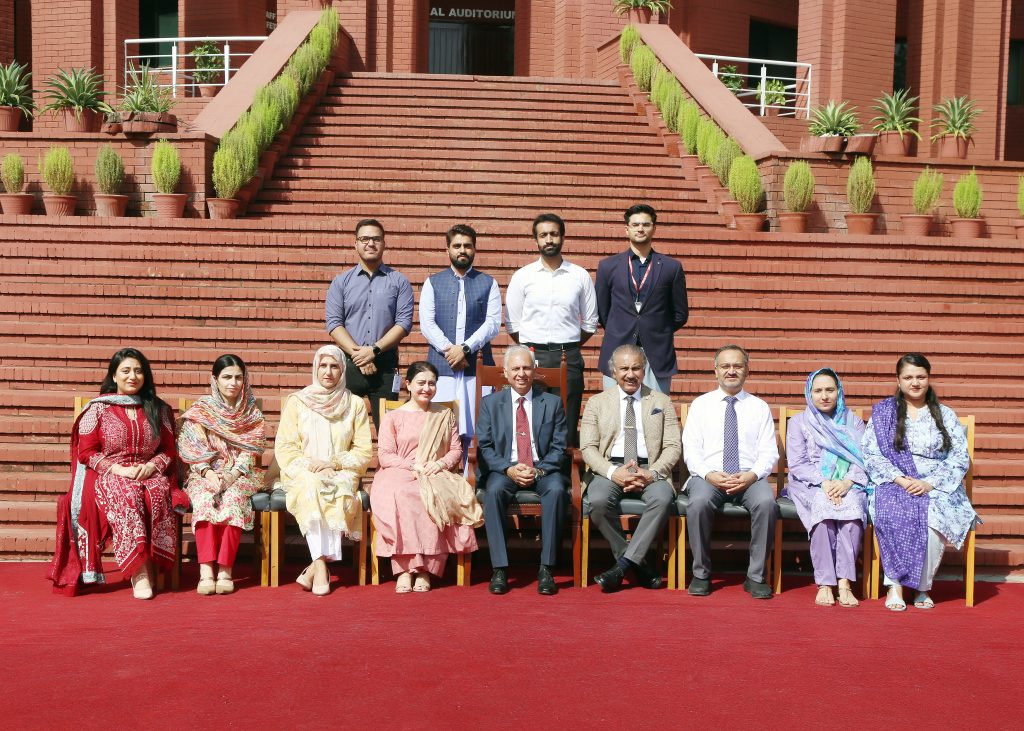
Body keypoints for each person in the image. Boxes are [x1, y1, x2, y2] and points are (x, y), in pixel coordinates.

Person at [48, 348, 186, 599]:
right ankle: (139, 572)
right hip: (111, 472)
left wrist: (151, 467)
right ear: (114, 376)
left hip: (149, 471)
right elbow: (86, 453)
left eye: (138, 371)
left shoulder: (159, 409)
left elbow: (169, 450)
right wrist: (118, 469)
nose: (133, 376)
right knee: (127, 495)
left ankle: (154, 563)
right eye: (126, 371)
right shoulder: (97, 409)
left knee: (157, 494)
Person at [863, 353, 976, 611]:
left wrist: (929, 484)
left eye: (920, 377)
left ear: (928, 378)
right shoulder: (885, 413)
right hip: (894, 480)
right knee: (891, 509)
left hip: (938, 484)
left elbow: (959, 457)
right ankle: (895, 585)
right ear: (898, 380)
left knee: (933, 513)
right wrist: (900, 480)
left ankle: (922, 586)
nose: (915, 382)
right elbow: (871, 453)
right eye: (908, 377)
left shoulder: (945, 415)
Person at [370, 361, 482, 593]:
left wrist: (440, 464)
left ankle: (425, 570)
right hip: (399, 471)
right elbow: (385, 455)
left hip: (435, 471)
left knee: (430, 496)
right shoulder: (393, 417)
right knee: (403, 494)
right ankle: (403, 569)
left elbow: (456, 450)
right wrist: (414, 466)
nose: (426, 388)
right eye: (421, 383)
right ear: (408, 384)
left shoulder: (444, 415)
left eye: (432, 383)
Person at [580, 344, 680, 592]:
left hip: (650, 468)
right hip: (610, 468)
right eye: (624, 368)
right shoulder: (596, 402)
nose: (630, 374)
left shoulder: (661, 401)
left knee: (663, 498)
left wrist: (652, 473)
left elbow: (673, 446)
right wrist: (613, 472)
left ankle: (621, 566)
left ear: (644, 370)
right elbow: (588, 448)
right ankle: (639, 565)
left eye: (636, 368)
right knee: (597, 501)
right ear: (613, 372)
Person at [682, 344, 779, 599]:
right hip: (709, 476)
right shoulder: (700, 405)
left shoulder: (760, 407)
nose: (731, 371)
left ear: (747, 370)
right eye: (725, 366)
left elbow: (769, 452)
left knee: (767, 503)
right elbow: (691, 449)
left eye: (737, 366)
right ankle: (701, 574)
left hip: (748, 476)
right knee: (698, 503)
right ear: (715, 370)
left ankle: (755, 577)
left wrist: (752, 475)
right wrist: (708, 474)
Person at [276, 345, 372, 596]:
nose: (328, 372)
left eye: (334, 366)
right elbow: (285, 448)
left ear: (342, 370)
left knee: (337, 488)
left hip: (341, 469)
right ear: (315, 368)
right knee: (312, 485)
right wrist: (312, 466)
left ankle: (314, 568)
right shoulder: (297, 402)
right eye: (323, 366)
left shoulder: (354, 404)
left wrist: (334, 463)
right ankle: (320, 566)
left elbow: (363, 451)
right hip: (303, 469)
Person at [475, 345, 569, 595]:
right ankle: (499, 568)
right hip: (505, 469)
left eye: (526, 368)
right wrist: (508, 469)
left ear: (534, 371)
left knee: (557, 491)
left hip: (542, 470)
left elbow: (559, 446)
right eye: (515, 368)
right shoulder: (490, 404)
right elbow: (484, 446)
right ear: (505, 372)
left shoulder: (552, 403)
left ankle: (547, 568)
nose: (521, 373)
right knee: (494, 492)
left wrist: (538, 471)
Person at [505, 212, 598, 446]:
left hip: (568, 356)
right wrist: (531, 349)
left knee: (566, 420)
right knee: (531, 416)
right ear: (536, 240)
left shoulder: (579, 276)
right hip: (532, 356)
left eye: (554, 234)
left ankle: (564, 467)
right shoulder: (523, 276)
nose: (549, 240)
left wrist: (567, 345)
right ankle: (530, 463)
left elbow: (589, 323)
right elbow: (513, 324)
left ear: (563, 237)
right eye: (543, 235)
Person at [178, 355, 266, 596]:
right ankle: (206, 571)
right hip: (203, 473)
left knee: (232, 500)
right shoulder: (202, 410)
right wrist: (208, 473)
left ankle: (226, 570)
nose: (233, 383)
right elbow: (192, 448)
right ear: (215, 380)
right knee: (205, 500)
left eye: (238, 377)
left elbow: (250, 452)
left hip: (240, 474)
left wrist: (232, 475)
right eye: (227, 377)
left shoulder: (251, 414)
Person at [783, 368, 867, 607]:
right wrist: (824, 482)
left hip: (848, 482)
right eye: (818, 390)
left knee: (852, 509)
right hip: (809, 483)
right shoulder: (799, 422)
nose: (824, 396)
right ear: (809, 393)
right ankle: (825, 582)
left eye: (830, 390)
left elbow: (864, 459)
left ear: (839, 391)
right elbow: (797, 463)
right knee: (822, 507)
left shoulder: (853, 421)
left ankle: (844, 582)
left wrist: (847, 482)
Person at [419, 223, 502, 464]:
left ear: (474, 249)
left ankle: (472, 480)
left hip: (476, 366)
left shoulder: (488, 283)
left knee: (477, 430)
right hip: (442, 368)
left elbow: (492, 323)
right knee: (440, 430)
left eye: (467, 245)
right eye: (457, 246)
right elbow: (427, 324)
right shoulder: (433, 282)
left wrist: (465, 349)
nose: (462, 250)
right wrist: (451, 351)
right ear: (448, 249)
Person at [325, 218, 415, 426]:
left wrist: (373, 351)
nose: (370, 243)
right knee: (343, 430)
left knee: (388, 430)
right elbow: (334, 323)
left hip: (385, 367)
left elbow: (403, 323)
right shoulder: (341, 282)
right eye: (364, 239)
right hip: (349, 365)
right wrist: (360, 356)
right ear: (355, 243)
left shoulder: (399, 282)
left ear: (384, 243)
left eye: (376, 239)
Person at [595, 204, 688, 394]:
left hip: (656, 351)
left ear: (654, 228)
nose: (640, 229)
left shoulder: (671, 267)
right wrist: (621, 326)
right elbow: (603, 311)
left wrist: (657, 328)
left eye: (646, 224)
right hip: (618, 348)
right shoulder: (608, 266)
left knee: (655, 408)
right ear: (626, 229)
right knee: (615, 408)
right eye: (635, 224)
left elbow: (680, 313)